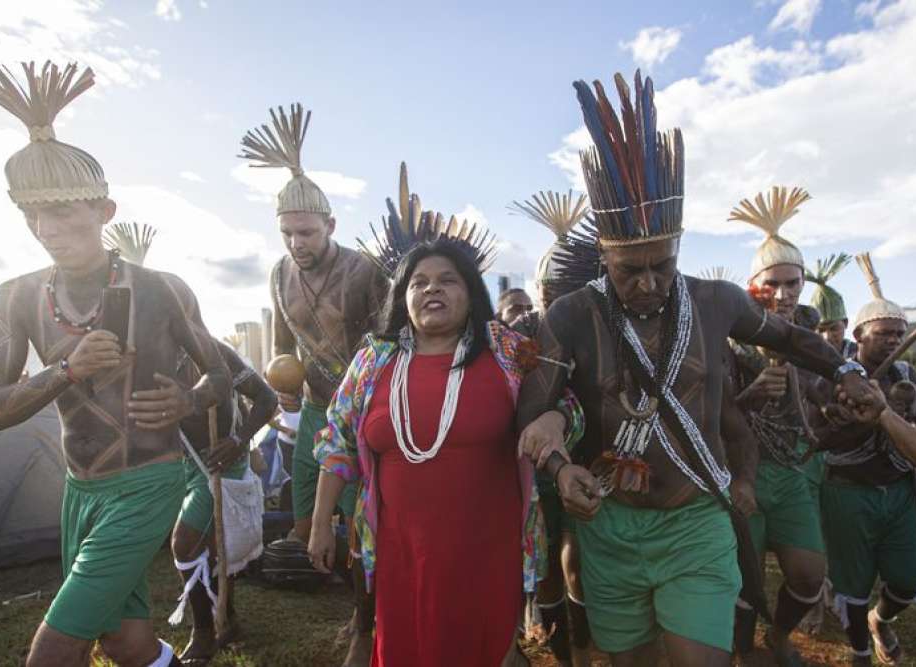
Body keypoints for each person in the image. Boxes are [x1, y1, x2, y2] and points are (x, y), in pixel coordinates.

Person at [515, 70, 876, 667]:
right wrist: (557, 465)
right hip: (610, 524)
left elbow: (788, 336)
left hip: (696, 521)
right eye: (631, 270)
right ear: (605, 256)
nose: (650, 282)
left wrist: (845, 371)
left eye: (663, 264)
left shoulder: (716, 302)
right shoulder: (573, 316)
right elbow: (533, 410)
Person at [0, 61, 230, 667]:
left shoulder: (163, 289)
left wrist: (189, 400)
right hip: (77, 490)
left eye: (61, 211)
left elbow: (222, 377)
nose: (45, 229)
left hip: (149, 485)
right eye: (33, 215)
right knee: (127, 643)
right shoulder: (15, 296)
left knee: (52, 654)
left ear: (104, 211)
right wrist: (66, 371)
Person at [307, 189, 584, 665]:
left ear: (470, 292)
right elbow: (336, 443)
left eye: (447, 280)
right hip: (401, 549)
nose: (431, 289)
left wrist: (555, 418)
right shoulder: (374, 359)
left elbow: (568, 403)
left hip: (487, 546)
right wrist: (318, 526)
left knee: (485, 649)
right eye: (418, 282)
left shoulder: (507, 350)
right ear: (403, 296)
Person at [239, 104, 389, 666]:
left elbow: (388, 345)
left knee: (361, 519)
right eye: (287, 234)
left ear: (330, 225)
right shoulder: (279, 273)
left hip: (365, 413)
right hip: (314, 409)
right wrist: (284, 377)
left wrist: (368, 411)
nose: (297, 243)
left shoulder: (366, 270)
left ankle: (363, 623)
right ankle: (341, 593)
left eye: (306, 231)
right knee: (308, 518)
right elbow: (283, 340)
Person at [812, 252, 916, 666]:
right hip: (847, 493)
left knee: (903, 581)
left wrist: (896, 412)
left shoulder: (909, 378)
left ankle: (882, 620)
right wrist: (875, 414)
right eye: (884, 334)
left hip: (898, 493)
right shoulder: (834, 376)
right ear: (859, 335)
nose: (894, 342)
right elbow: (821, 440)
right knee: (853, 587)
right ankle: (861, 650)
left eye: (899, 334)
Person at [726, 187, 828, 663]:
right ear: (754, 285)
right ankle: (743, 650)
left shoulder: (812, 339)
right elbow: (711, 414)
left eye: (793, 282)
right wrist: (750, 396)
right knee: (744, 581)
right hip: (740, 471)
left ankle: (780, 635)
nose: (784, 294)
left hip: (792, 473)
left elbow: (826, 406)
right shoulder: (729, 339)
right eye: (774, 283)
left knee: (809, 576)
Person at [509, 189, 593, 666]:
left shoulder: (599, 329)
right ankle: (564, 656)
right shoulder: (516, 334)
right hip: (530, 468)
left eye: (563, 296)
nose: (552, 306)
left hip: (586, 459)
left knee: (576, 559)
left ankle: (580, 652)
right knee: (544, 570)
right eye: (546, 294)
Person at [170, 340, 278, 664]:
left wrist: (238, 440)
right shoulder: (146, 357)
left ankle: (203, 633)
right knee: (217, 547)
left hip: (223, 464)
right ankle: (227, 620)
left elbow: (267, 397)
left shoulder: (212, 350)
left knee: (183, 544)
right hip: (187, 465)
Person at [807, 253, 858, 357]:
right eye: (820, 330)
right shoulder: (805, 357)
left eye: (834, 328)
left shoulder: (860, 355)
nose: (827, 337)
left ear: (846, 323)